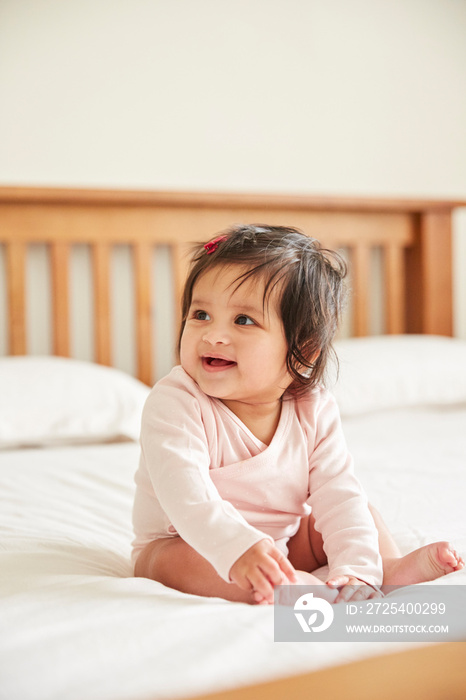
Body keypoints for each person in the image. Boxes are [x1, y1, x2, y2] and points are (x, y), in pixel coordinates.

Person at [132, 225, 464, 605]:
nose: (213, 336)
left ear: (303, 352)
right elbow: (187, 498)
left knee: (355, 508)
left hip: (287, 541)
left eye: (243, 320)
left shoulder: (313, 408)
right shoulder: (176, 403)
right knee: (180, 560)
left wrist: (356, 564)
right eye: (201, 314)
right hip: (188, 541)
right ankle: (294, 586)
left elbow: (337, 494)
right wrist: (238, 549)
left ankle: (381, 571)